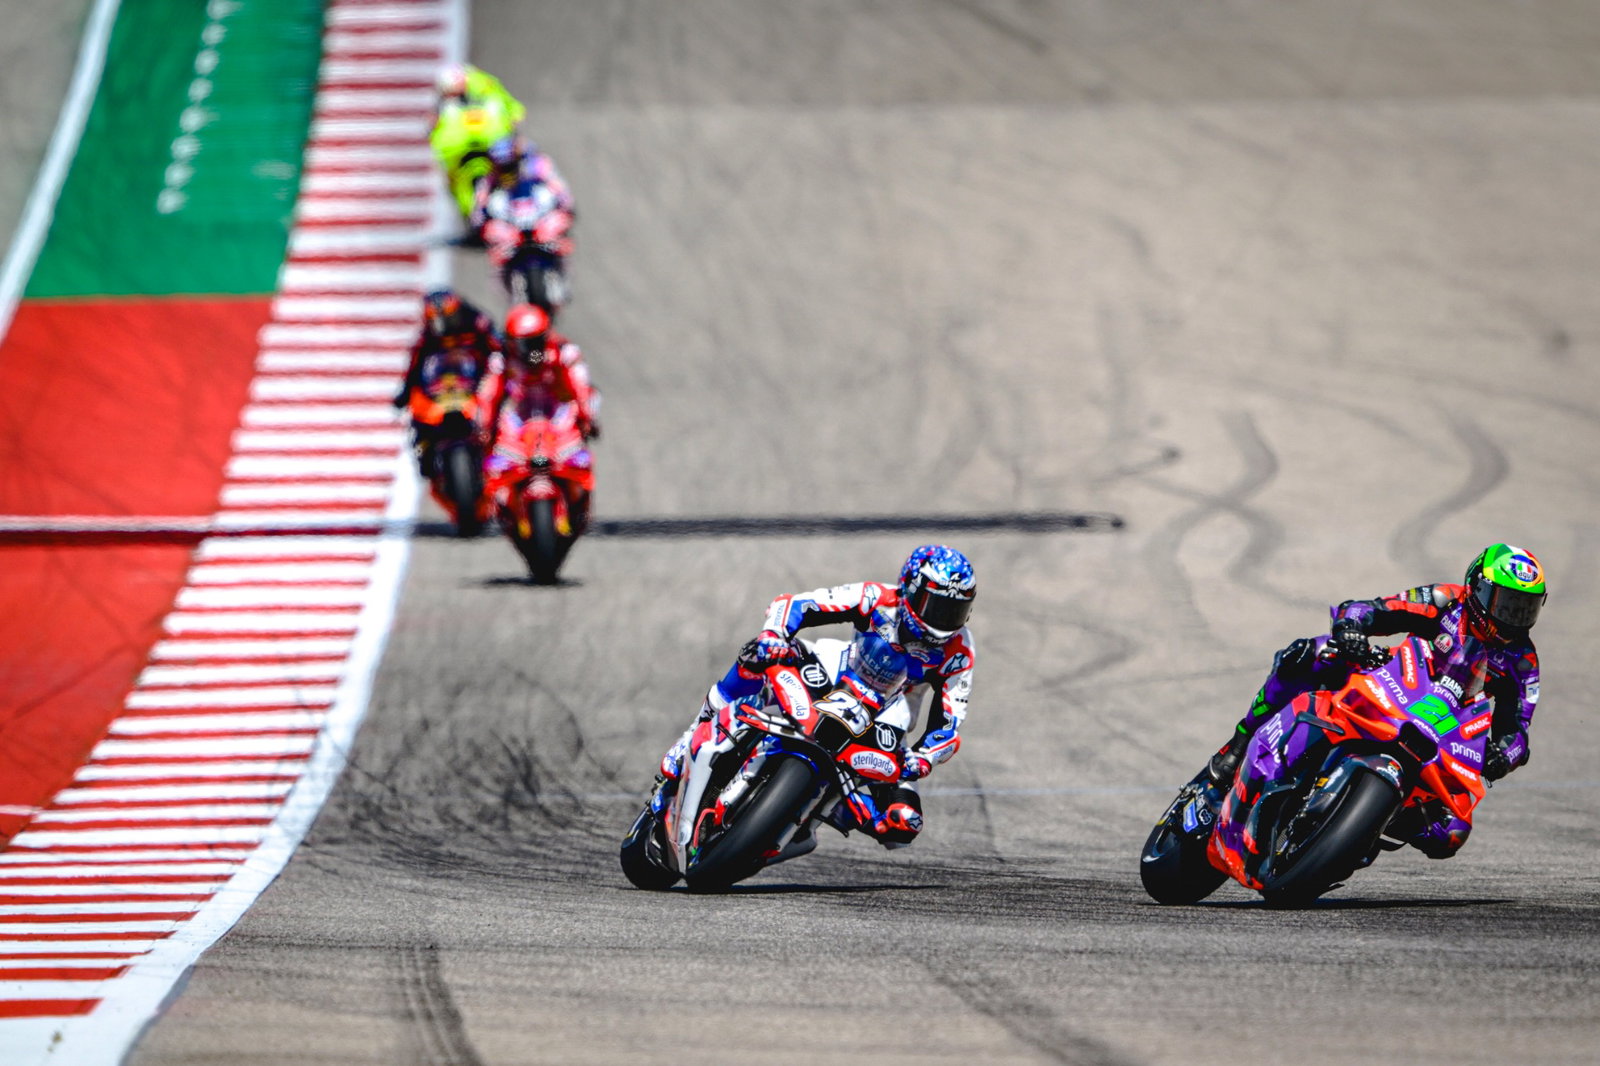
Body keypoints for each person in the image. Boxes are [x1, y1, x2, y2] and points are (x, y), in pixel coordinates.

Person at [1202, 543, 1546, 858]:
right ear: (1477, 587)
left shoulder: (1523, 660)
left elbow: (1517, 730)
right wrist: (1352, 629)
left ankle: (1369, 823)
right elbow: (1373, 609)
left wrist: (1502, 756)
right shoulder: (1444, 600)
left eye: (1524, 608)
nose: (1513, 617)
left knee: (1450, 833)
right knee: (1311, 654)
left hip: (1443, 727)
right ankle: (1239, 744)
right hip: (1394, 681)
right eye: (1506, 603)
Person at [651, 546, 978, 849]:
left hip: (885, 722)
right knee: (757, 653)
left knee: (903, 827)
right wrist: (774, 635)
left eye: (955, 611)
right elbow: (797, 605)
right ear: (909, 589)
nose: (943, 620)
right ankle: (694, 733)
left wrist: (923, 757)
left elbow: (949, 723)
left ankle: (816, 812)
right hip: (834, 674)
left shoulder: (959, 650)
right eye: (935, 606)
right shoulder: (876, 598)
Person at [479, 301, 600, 485]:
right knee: (494, 470)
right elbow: (488, 396)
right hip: (518, 421)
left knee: (581, 464)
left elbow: (580, 388)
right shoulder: (500, 360)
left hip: (559, 419)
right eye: (525, 344)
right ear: (511, 341)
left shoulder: (564, 352)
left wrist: (588, 418)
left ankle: (576, 496)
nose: (532, 352)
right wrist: (484, 428)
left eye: (536, 343)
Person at [394, 290, 503, 474]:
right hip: (442, 389)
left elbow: (501, 348)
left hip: (476, 384)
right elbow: (414, 367)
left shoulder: (479, 324)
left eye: (448, 318)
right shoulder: (426, 338)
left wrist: (502, 369)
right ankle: (424, 450)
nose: (443, 325)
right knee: (416, 409)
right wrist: (404, 394)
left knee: (500, 407)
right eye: (437, 321)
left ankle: (498, 447)